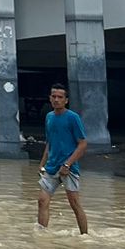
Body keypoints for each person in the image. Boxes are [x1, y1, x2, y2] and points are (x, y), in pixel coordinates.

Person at [37, 83, 89, 234]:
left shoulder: (73, 118)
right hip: (51, 166)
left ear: (66, 100)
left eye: (60, 97)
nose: (56, 100)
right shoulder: (49, 117)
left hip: (69, 168)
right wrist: (42, 164)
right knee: (42, 201)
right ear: (50, 98)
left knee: (74, 204)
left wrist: (67, 164)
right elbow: (49, 142)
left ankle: (85, 236)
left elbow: (83, 144)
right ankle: (42, 235)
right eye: (53, 96)